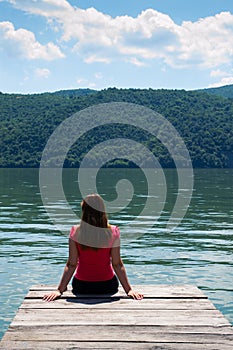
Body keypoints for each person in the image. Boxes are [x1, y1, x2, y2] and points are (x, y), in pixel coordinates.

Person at [43, 193, 143, 301]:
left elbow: (71, 264)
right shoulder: (113, 232)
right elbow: (117, 264)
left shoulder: (75, 232)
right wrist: (129, 290)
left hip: (82, 286)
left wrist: (59, 290)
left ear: (84, 211)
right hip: (107, 286)